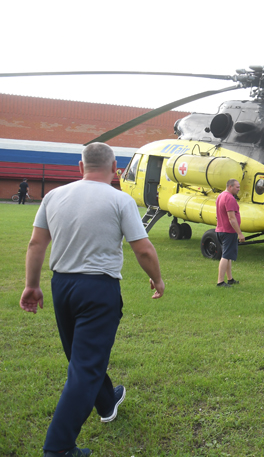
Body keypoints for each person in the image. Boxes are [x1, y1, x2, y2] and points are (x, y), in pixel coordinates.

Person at [19, 142, 165, 457]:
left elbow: (36, 244)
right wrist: (157, 278)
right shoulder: (120, 199)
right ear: (115, 169)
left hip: (62, 286)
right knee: (85, 366)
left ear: (80, 167)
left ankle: (107, 402)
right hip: (98, 289)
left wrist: (32, 285)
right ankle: (58, 448)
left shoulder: (53, 196)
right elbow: (142, 249)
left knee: (80, 357)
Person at [215, 179, 245, 287]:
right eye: (237, 187)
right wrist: (240, 233)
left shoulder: (220, 196)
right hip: (228, 231)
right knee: (225, 256)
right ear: (230, 187)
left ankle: (230, 279)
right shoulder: (230, 198)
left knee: (228, 255)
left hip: (220, 230)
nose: (239, 189)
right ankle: (220, 281)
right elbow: (232, 218)